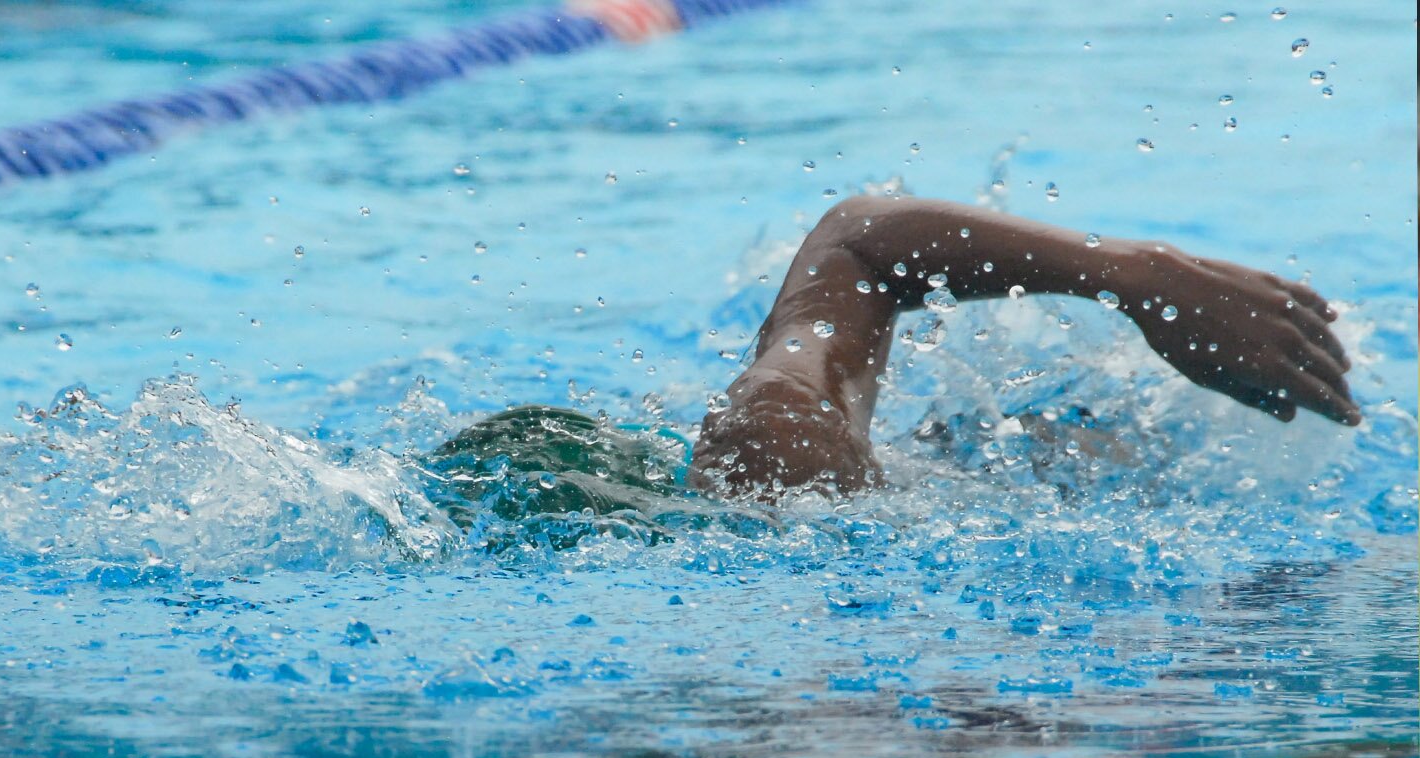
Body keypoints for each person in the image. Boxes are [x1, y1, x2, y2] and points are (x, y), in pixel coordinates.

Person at [430, 195, 1357, 514]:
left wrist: (1140, 276)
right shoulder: (779, 471)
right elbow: (858, 239)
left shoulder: (774, 459)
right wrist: (1132, 275)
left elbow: (864, 239)